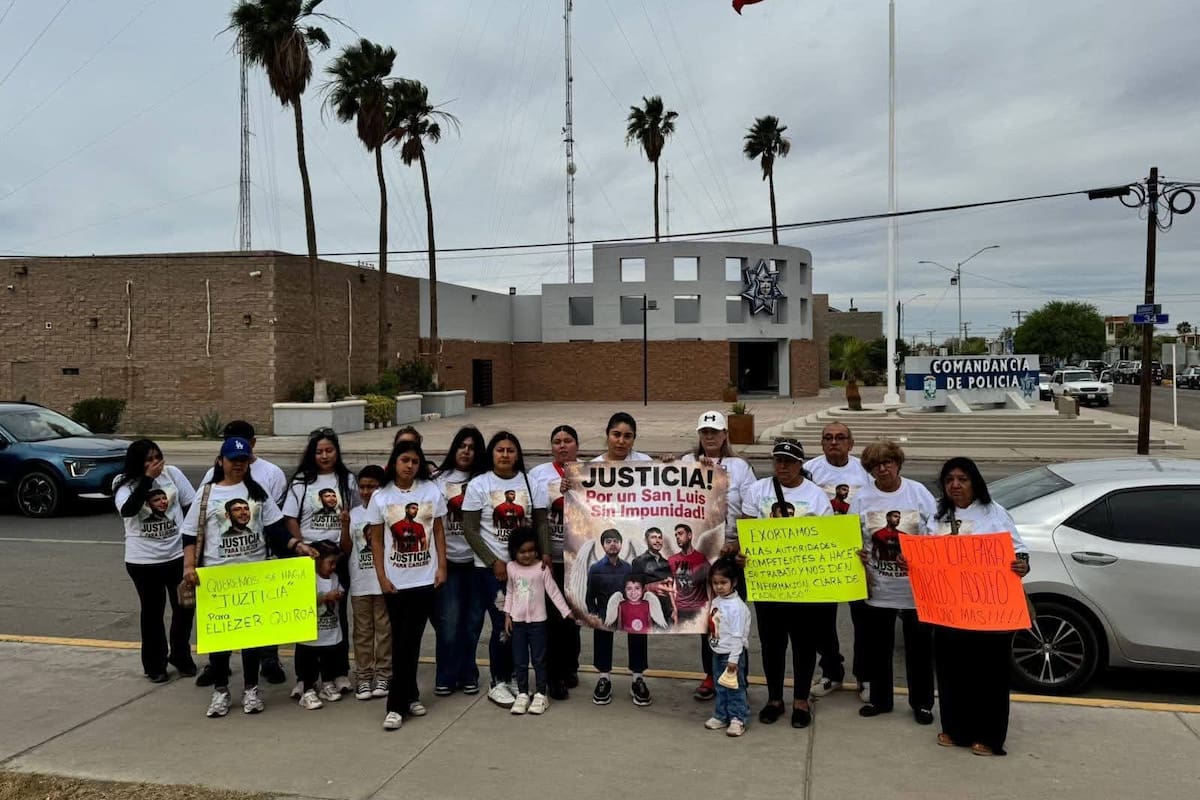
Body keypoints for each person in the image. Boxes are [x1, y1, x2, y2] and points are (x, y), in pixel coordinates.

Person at [180, 437, 306, 718]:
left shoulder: (258, 493)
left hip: (252, 575)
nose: (238, 465)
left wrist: (298, 546)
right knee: (221, 641)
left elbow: (276, 530)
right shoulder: (207, 494)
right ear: (221, 461)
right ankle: (221, 690)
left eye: (243, 460)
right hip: (217, 577)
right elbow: (189, 534)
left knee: (251, 637)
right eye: (233, 460)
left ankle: (251, 689)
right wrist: (189, 566)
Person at [926, 456, 1030, 757]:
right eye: (949, 480)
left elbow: (1019, 550)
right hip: (948, 609)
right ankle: (956, 728)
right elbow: (926, 550)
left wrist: (1021, 564)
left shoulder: (994, 513)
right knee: (951, 670)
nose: (955, 485)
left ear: (975, 482)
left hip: (987, 611)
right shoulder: (937, 515)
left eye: (962, 479)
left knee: (989, 674)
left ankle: (989, 735)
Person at [739, 438, 833, 729]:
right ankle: (775, 698)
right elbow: (748, 529)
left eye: (789, 461)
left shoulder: (816, 496)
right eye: (778, 460)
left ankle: (801, 699)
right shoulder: (758, 490)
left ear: (800, 464)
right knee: (772, 643)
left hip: (804, 584)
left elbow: (827, 538)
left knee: (804, 644)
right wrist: (744, 554)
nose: (783, 466)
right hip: (768, 583)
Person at [850, 440, 937, 725]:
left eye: (888, 462)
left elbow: (935, 532)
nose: (883, 469)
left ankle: (922, 703)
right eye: (876, 466)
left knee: (920, 650)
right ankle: (880, 699)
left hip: (917, 589)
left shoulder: (918, 493)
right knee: (878, 649)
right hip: (879, 588)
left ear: (898, 463)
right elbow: (851, 536)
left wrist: (922, 554)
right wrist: (857, 554)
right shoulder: (862, 498)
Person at [196, 421, 289, 688]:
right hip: (220, 569)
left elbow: (276, 521)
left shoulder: (271, 474)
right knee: (223, 627)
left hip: (259, 562)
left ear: (253, 445)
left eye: (243, 452)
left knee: (259, 622)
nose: (237, 462)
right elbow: (199, 522)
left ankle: (269, 661)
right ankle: (218, 671)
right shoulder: (211, 479)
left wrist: (292, 547)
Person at [462, 430, 549, 709]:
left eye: (511, 450)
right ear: (492, 454)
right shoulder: (479, 485)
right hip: (493, 570)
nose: (505, 455)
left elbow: (541, 523)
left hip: (525, 568)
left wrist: (544, 553)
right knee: (503, 623)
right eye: (500, 450)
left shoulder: (531, 483)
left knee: (522, 624)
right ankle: (498, 679)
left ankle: (514, 675)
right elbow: (470, 529)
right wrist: (493, 561)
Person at [366, 440, 448, 731]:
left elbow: (438, 531)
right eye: (405, 460)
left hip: (424, 579)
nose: (410, 466)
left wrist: (441, 567)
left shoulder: (431, 491)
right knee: (402, 640)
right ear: (394, 463)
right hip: (395, 581)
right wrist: (381, 576)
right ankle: (409, 695)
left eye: (415, 461)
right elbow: (376, 540)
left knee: (409, 641)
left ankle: (396, 705)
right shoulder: (380, 497)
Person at [680, 410, 756, 700]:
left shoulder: (740, 467)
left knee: (734, 619)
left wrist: (738, 544)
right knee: (707, 619)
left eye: (715, 431)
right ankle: (711, 676)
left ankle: (738, 676)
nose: (710, 436)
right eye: (705, 432)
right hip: (700, 552)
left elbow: (750, 510)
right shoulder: (687, 462)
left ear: (725, 435)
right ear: (699, 435)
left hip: (731, 553)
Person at [113, 439, 197, 683]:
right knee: (152, 612)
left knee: (184, 608)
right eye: (148, 460)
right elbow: (128, 510)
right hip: (143, 561)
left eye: (157, 457)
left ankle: (180, 655)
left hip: (177, 556)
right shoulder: (123, 483)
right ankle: (154, 664)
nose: (155, 464)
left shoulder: (173, 474)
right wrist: (147, 479)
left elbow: (190, 505)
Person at [283, 429, 357, 698]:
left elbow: (355, 515)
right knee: (308, 615)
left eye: (329, 450)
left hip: (339, 555)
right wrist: (301, 545)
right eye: (319, 451)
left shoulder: (347, 480)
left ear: (337, 452)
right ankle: (305, 678)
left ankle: (337, 672)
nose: (324, 456)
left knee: (337, 613)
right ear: (311, 454)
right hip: (309, 555)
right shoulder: (301, 482)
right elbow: (290, 518)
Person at [587, 412, 653, 707]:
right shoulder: (592, 469)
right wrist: (568, 488)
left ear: (634, 439)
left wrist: (668, 466)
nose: (621, 440)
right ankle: (604, 676)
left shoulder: (645, 463)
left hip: (632, 547)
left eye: (627, 435)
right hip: (606, 543)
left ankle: (638, 677)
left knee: (636, 615)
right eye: (616, 434)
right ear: (607, 435)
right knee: (604, 620)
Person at [803, 422, 872, 700]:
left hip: (857, 554)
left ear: (851, 443)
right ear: (821, 443)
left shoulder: (863, 471)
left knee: (863, 620)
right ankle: (832, 671)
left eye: (840, 437)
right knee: (821, 621)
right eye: (828, 438)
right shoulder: (810, 469)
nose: (834, 442)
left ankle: (866, 676)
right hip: (822, 555)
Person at [431, 426, 488, 697]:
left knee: (474, 621)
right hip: (449, 561)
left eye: (472, 447)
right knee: (449, 622)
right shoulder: (438, 480)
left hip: (477, 563)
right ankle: (446, 674)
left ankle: (468, 673)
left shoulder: (485, 479)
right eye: (462, 446)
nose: (466, 451)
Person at [527, 424, 583, 700]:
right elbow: (534, 513)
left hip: (577, 557)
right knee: (552, 617)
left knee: (572, 617)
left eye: (568, 441)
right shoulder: (538, 475)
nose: (562, 446)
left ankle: (571, 666)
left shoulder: (590, 472)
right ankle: (554, 673)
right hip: (550, 557)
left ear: (577, 446)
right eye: (557, 441)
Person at [503, 527, 576, 715]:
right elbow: (510, 592)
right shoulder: (511, 568)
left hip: (538, 623)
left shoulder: (541, 568)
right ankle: (522, 694)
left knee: (539, 660)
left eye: (531, 550)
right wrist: (507, 615)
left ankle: (541, 694)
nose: (527, 555)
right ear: (514, 552)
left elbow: (553, 592)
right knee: (520, 660)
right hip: (517, 623)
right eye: (522, 552)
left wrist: (566, 612)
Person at [343, 465, 391, 701]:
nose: (366, 491)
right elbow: (346, 549)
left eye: (371, 486)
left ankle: (383, 674)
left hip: (382, 581)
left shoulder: (387, 511)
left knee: (384, 631)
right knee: (362, 632)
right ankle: (363, 676)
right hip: (360, 582)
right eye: (362, 487)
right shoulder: (354, 515)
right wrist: (344, 525)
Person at [296, 541, 346, 709]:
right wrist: (326, 597)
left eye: (335, 563)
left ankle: (327, 683)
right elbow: (304, 601)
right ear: (318, 561)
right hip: (311, 632)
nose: (333, 567)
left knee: (328, 659)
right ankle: (308, 690)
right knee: (309, 662)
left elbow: (340, 591)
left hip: (330, 629)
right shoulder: (309, 577)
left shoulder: (335, 578)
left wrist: (338, 595)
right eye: (330, 563)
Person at [704, 557, 751, 737]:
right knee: (720, 685)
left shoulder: (736, 607)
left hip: (732, 655)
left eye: (723, 582)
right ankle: (721, 715)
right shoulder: (717, 601)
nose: (719, 587)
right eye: (715, 583)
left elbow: (738, 636)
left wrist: (733, 660)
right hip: (718, 651)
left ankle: (738, 718)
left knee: (735, 687)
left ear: (734, 582)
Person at [631, 527, 675, 623]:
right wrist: (649, 587)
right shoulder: (638, 562)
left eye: (659, 537)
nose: (657, 540)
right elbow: (633, 589)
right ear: (646, 540)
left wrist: (674, 609)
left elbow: (671, 588)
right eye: (653, 537)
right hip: (648, 611)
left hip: (668, 612)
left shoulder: (667, 563)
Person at [602, 574, 669, 633]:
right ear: (624, 590)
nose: (633, 592)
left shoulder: (647, 604)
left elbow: (650, 625)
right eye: (629, 589)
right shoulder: (621, 605)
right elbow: (620, 627)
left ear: (642, 590)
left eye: (637, 588)